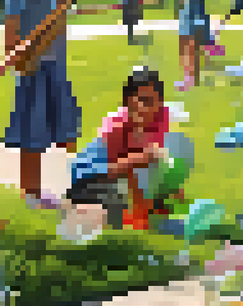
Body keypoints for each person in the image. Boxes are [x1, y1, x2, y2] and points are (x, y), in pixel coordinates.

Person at [4, 0, 81, 210]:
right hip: (34, 67)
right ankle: (31, 192)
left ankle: (59, 187)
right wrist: (16, 55)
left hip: (53, 64)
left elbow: (62, 9)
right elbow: (11, 26)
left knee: (65, 128)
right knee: (31, 135)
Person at [65, 67, 173, 232]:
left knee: (153, 192)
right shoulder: (117, 127)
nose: (150, 108)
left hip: (116, 177)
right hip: (90, 176)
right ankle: (81, 209)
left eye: (155, 102)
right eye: (144, 100)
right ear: (128, 102)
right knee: (114, 209)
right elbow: (113, 170)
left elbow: (139, 170)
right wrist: (138, 159)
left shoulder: (159, 119)